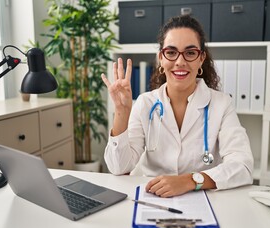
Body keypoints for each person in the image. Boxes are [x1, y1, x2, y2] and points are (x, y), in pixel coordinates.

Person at [101, 15, 253, 198]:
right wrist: (121, 112)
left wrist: (190, 181)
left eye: (190, 53)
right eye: (171, 52)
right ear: (161, 59)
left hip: (202, 198)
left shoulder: (221, 104)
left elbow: (242, 166)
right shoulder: (145, 103)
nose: (180, 62)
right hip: (151, 198)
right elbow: (119, 168)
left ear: (201, 59)